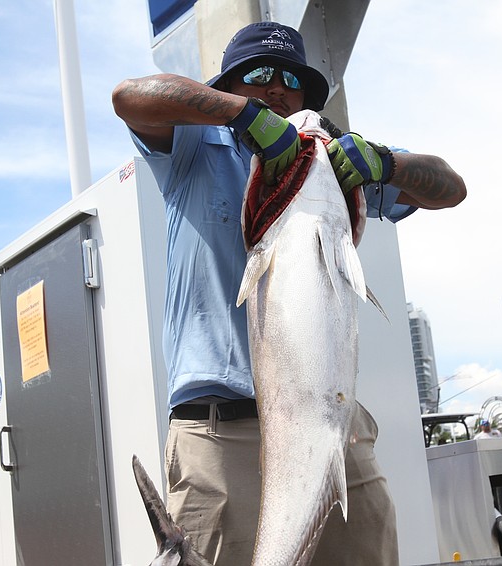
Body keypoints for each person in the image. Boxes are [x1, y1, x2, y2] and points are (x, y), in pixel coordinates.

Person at [111, 21, 466, 566]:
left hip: (333, 426)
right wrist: (242, 116)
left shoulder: (333, 163)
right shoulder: (193, 148)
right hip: (222, 433)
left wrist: (384, 161)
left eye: (292, 79)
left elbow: (450, 187)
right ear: (229, 85)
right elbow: (129, 98)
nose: (277, 88)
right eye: (258, 74)